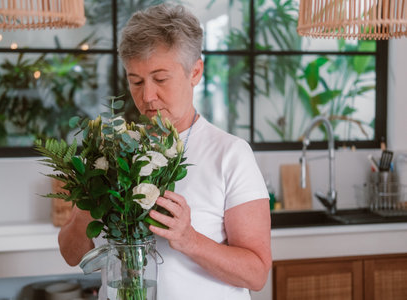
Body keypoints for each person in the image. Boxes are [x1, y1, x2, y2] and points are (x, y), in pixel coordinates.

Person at [58, 4, 272, 300]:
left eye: (160, 79)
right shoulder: (113, 152)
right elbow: (71, 254)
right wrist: (89, 197)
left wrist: (190, 239)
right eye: (136, 81)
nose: (147, 96)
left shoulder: (231, 154)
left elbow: (257, 273)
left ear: (195, 72)